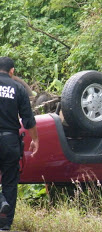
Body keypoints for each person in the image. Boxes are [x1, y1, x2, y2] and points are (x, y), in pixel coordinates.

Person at [0, 57, 39, 231]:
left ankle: (0, 201)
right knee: (9, 181)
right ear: (12, 71)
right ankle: (5, 224)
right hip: (10, 140)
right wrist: (35, 139)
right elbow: (28, 119)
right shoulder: (19, 88)